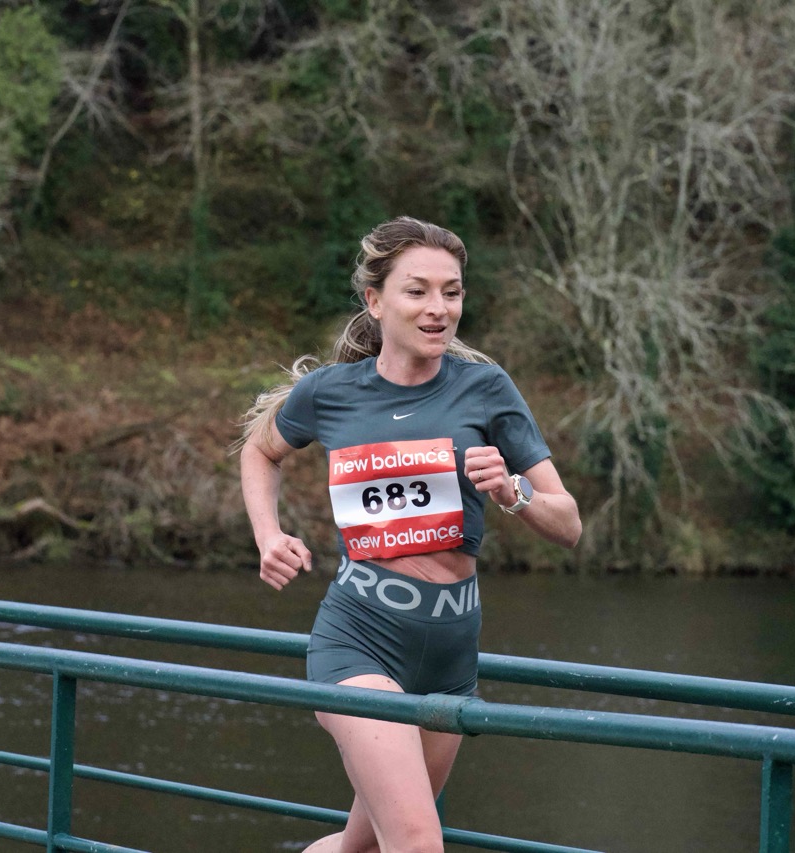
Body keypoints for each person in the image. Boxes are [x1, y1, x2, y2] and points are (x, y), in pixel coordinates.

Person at [238, 216, 581, 853]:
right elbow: (260, 450)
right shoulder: (330, 393)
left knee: (362, 847)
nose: (438, 308)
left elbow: (569, 523)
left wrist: (514, 492)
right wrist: (268, 535)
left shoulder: (486, 388)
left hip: (451, 651)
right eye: (417, 291)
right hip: (359, 640)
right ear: (375, 301)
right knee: (419, 843)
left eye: (452, 292)